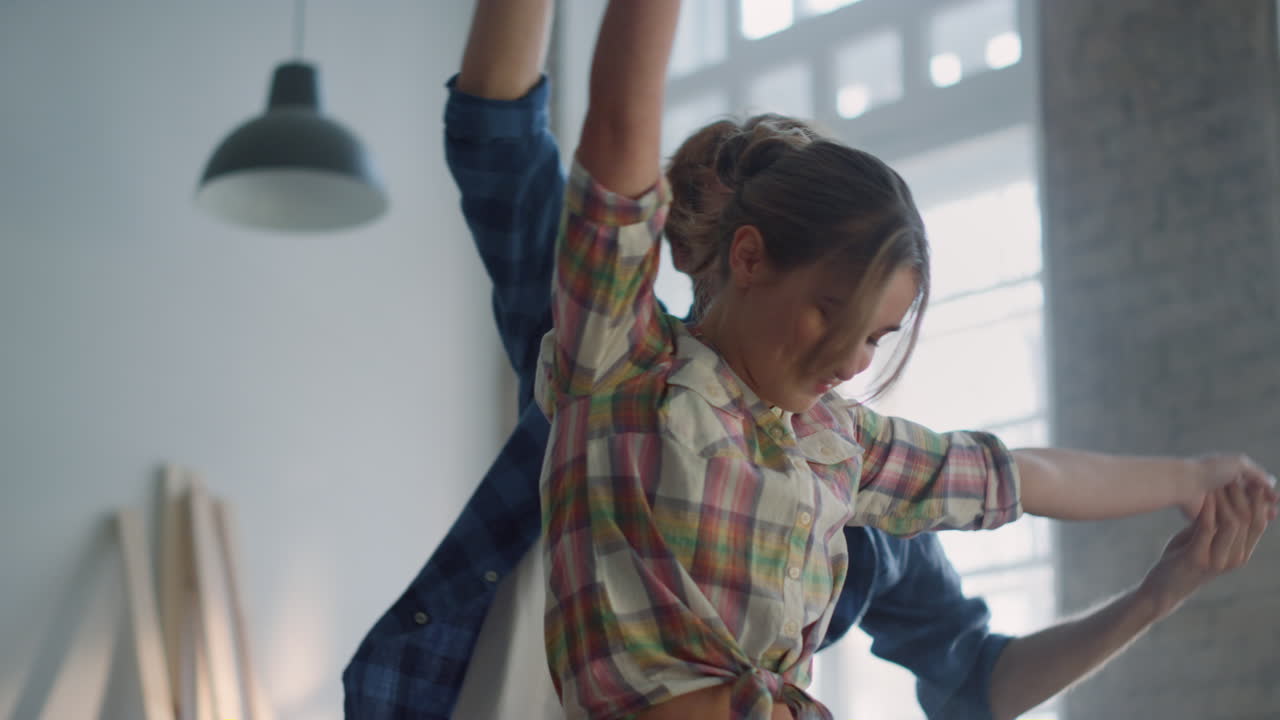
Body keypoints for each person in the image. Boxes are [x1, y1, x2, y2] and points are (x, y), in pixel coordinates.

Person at [341, 1, 1277, 719]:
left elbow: (1017, 490)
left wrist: (1182, 512)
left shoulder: (842, 455)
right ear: (749, 257)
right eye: (830, 313)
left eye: (874, 337)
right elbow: (568, 138)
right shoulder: (615, 360)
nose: (847, 361)